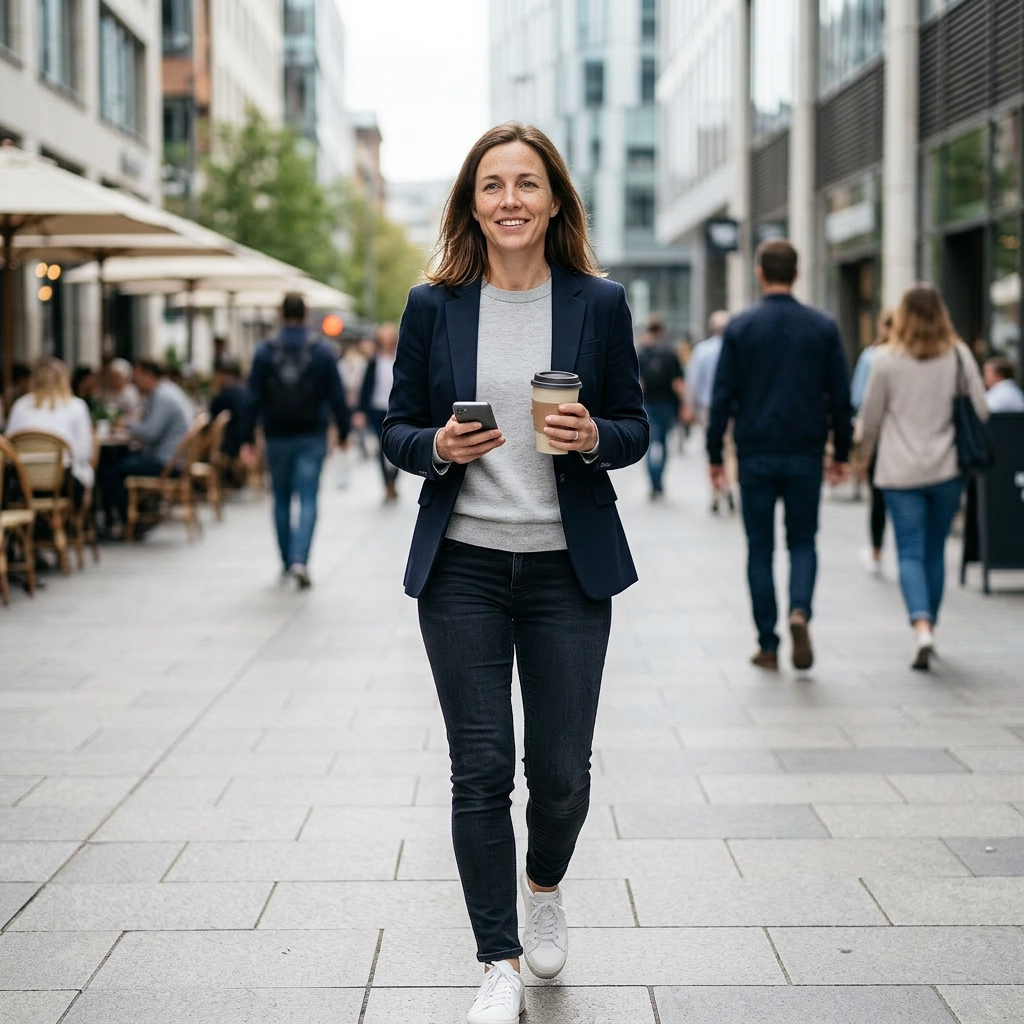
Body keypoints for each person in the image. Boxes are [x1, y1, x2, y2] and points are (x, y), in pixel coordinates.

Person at [381, 121, 648, 1024]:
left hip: (567, 571)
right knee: (480, 768)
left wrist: (596, 438)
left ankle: (544, 885)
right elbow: (394, 432)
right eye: (491, 186)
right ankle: (496, 959)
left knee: (563, 773)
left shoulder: (599, 302)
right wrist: (439, 446)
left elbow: (636, 426)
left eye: (526, 184)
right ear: (471, 204)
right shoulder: (435, 304)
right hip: (463, 567)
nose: (509, 201)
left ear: (554, 200)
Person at [707, 239, 852, 672]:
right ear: (797, 273)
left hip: (755, 453)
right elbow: (840, 398)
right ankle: (800, 611)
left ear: (759, 272)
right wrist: (841, 452)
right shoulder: (822, 327)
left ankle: (768, 643)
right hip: (806, 452)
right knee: (804, 540)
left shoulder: (740, 328)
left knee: (760, 548)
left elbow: (721, 398)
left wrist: (715, 456)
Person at [858, 284, 989, 670]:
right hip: (947, 468)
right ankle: (930, 623)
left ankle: (920, 626)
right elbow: (981, 410)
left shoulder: (885, 359)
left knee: (910, 551)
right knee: (934, 550)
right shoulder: (959, 355)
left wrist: (861, 452)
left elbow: (870, 417)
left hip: (900, 471)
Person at [242, 292, 350, 589]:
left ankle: (287, 561)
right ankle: (301, 560)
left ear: (281, 314)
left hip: (276, 434)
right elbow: (337, 394)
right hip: (311, 434)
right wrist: (343, 431)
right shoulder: (321, 350)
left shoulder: (265, 350)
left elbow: (252, 397)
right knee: (308, 497)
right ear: (305, 315)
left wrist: (246, 438)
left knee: (280, 497)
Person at [99, 360, 190, 533]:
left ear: (148, 375)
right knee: (117, 463)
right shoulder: (167, 392)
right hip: (171, 457)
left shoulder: (163, 396)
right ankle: (131, 517)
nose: (134, 381)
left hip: (165, 461)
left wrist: (127, 424)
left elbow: (151, 432)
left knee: (110, 471)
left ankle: (128, 522)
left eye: (137, 376)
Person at [5, 358, 95, 501]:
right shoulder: (76, 406)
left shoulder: (20, 405)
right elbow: (84, 453)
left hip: (24, 481)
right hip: (62, 482)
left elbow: (8, 448)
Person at [851, 308, 895, 576]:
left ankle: (877, 552)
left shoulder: (874, 357)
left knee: (878, 499)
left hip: (882, 440)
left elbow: (860, 401)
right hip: (923, 448)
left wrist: (862, 447)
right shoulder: (924, 355)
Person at [687, 310, 735, 513]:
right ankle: (730, 486)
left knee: (713, 450)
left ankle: (716, 492)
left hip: (708, 409)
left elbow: (693, 382)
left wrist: (690, 407)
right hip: (734, 409)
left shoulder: (702, 351)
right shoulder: (736, 349)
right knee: (731, 451)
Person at [637, 314, 685, 498]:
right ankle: (660, 481)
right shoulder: (670, 352)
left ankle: (653, 482)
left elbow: (637, 383)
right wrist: (685, 405)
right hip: (667, 404)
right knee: (663, 443)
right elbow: (678, 382)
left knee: (649, 444)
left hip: (647, 404)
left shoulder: (641, 352)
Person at [355, 322, 401, 502]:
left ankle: (393, 480)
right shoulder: (374, 361)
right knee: (382, 449)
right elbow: (365, 387)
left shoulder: (402, 359)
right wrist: (360, 411)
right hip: (377, 410)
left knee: (398, 449)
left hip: (397, 410)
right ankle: (387, 483)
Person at [208, 359, 251, 472]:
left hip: (228, 444)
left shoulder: (225, 394)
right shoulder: (243, 391)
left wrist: (214, 391)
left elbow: (210, 416)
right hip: (244, 439)